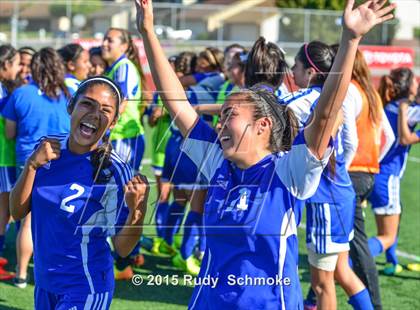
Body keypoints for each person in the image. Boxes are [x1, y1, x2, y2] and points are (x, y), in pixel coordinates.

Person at [134, 0, 395, 309]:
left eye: (230, 114)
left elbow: (325, 115)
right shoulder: (217, 159)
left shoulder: (289, 170)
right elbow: (176, 101)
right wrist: (148, 30)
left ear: (262, 125)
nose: (220, 123)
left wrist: (350, 39)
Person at [9, 76, 149, 309]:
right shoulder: (46, 150)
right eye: (87, 104)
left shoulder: (114, 170)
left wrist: (138, 210)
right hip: (45, 284)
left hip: (85, 287)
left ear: (113, 122)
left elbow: (123, 249)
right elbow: (18, 209)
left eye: (105, 110)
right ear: (71, 105)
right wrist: (31, 165)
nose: (95, 114)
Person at [2, 47, 71, 288]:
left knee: (28, 222)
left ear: (34, 68)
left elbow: (10, 134)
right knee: (62, 218)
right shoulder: (70, 93)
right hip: (63, 161)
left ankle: (21, 274)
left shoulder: (21, 94)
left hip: (29, 162)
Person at [368, 68, 419, 275]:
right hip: (388, 178)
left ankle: (391, 262)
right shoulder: (408, 110)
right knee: (387, 234)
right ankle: (349, 264)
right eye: (415, 81)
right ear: (408, 87)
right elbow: (406, 138)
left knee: (391, 222)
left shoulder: (388, 105)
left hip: (373, 173)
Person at [102, 28, 145, 173]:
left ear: (124, 46)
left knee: (120, 189)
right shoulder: (114, 68)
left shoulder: (123, 67)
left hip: (124, 136)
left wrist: (105, 128)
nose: (104, 43)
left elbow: (121, 102)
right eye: (104, 39)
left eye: (110, 40)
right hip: (118, 136)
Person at [0, 44, 21, 281]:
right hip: (3, 157)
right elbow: (9, 131)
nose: (17, 69)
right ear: (6, 65)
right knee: (3, 212)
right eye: (15, 64)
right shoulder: (3, 91)